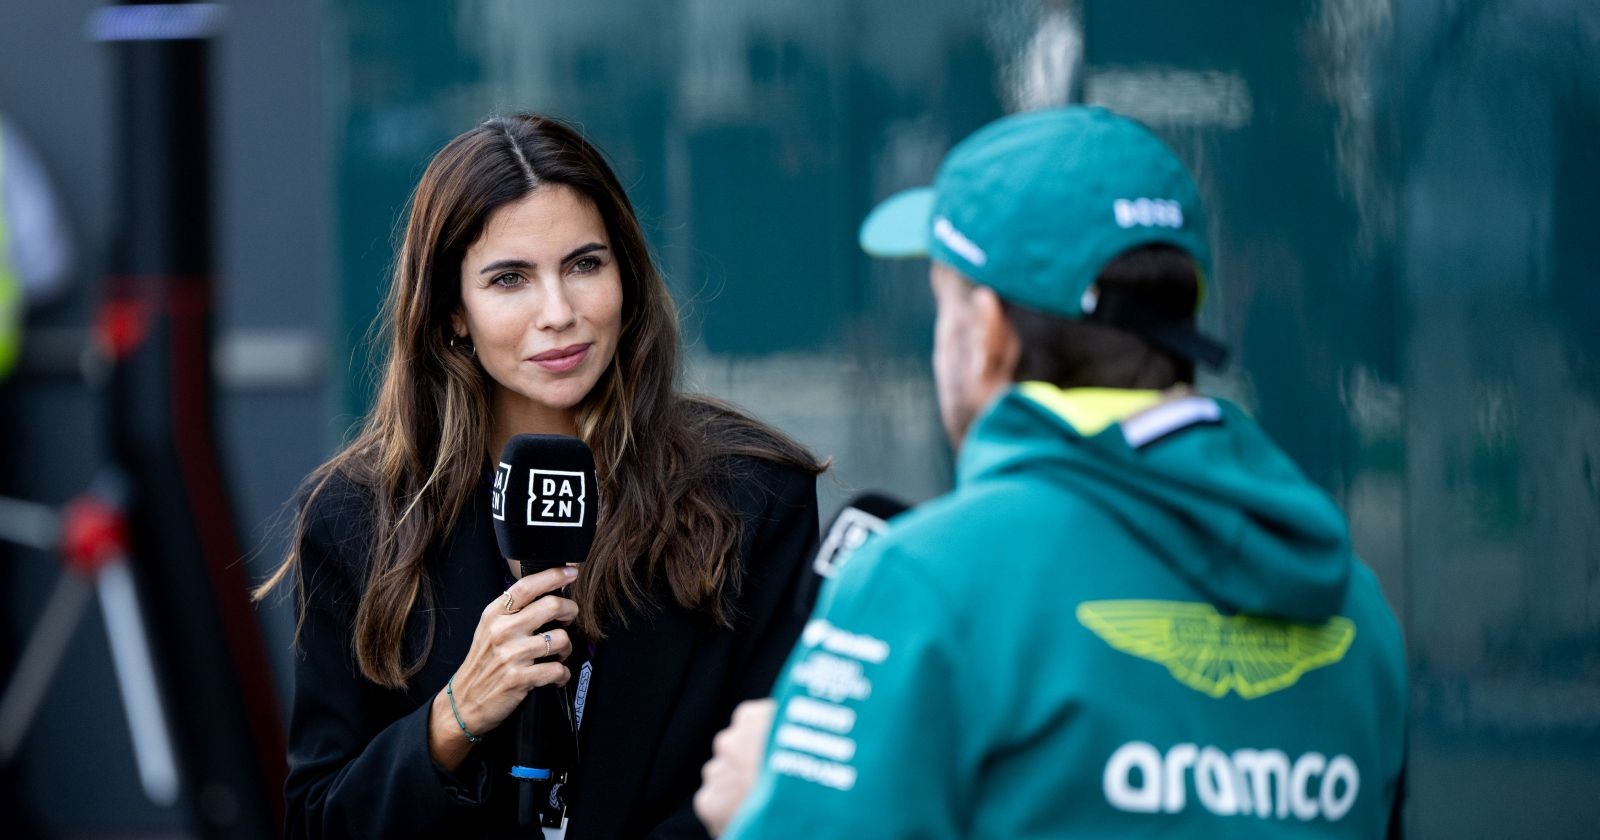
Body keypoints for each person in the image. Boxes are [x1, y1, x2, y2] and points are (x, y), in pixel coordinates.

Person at [696, 106, 1406, 838]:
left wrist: (766, 806)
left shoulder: (921, 581)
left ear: (989, 331)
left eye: (943, 306)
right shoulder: (1356, 607)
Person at [256, 113, 826, 840]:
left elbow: (780, 793)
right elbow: (318, 823)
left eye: (585, 265)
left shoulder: (750, 496)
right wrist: (453, 717)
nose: (559, 313)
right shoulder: (357, 518)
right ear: (452, 313)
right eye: (510, 279)